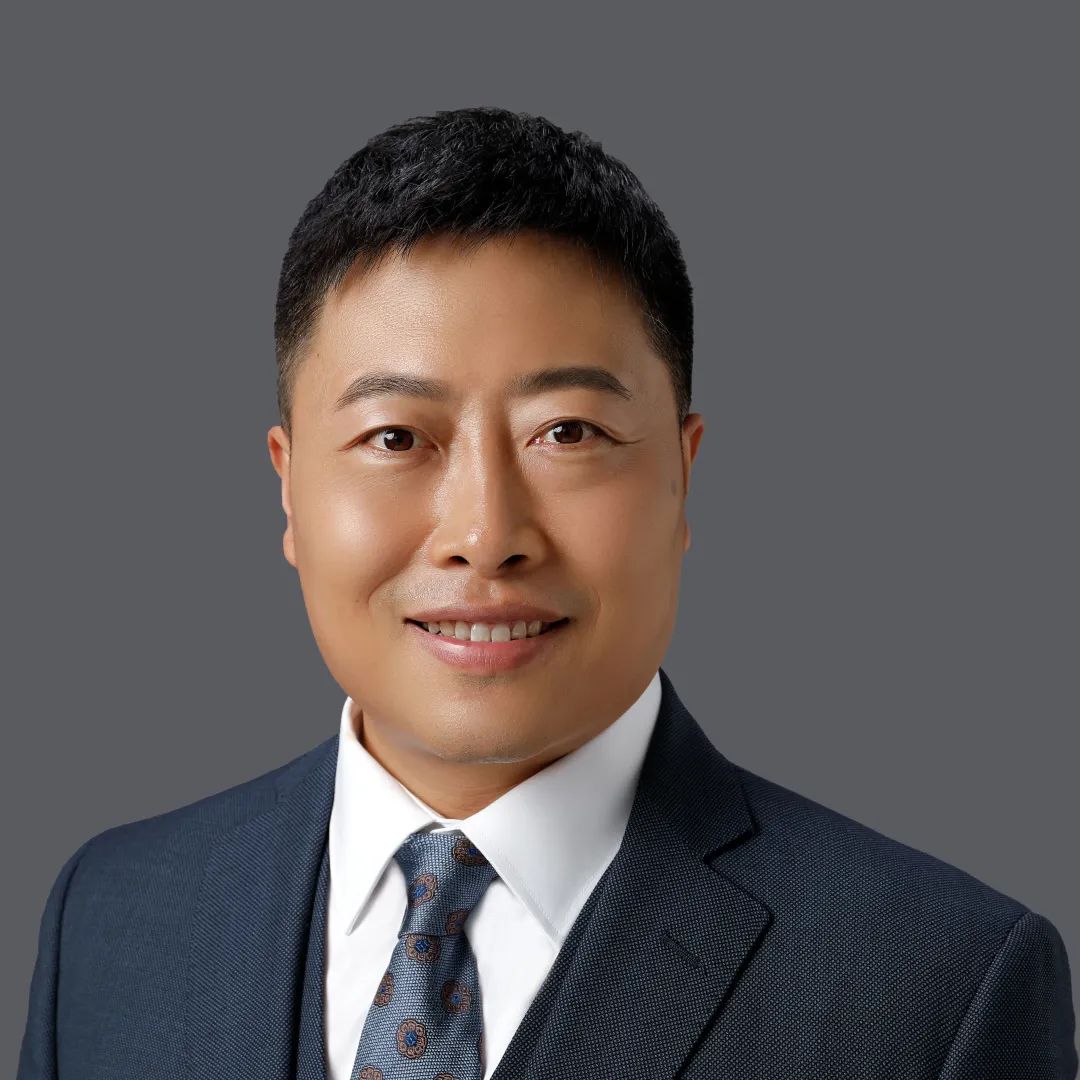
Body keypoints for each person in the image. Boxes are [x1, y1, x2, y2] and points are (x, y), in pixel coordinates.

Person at [17, 106, 1076, 1080]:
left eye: (567, 433)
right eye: (396, 438)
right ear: (288, 487)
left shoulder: (937, 987)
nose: (485, 536)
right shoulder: (110, 920)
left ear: (681, 475)